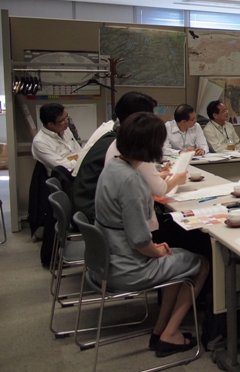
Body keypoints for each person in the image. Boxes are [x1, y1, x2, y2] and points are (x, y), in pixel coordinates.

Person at [94, 112, 208, 357]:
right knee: (200, 263)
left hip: (108, 259)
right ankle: (169, 333)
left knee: (177, 258)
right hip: (128, 267)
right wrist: (156, 251)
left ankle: (161, 330)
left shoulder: (113, 166)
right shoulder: (131, 181)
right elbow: (140, 241)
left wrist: (157, 250)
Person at [74, 92, 186, 225]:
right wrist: (177, 179)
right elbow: (159, 190)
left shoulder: (113, 137)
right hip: (100, 215)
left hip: (93, 208)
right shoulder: (132, 146)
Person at [31, 103, 81, 174]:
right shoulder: (40, 142)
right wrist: (81, 161)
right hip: (64, 176)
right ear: (50, 124)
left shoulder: (65, 129)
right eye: (62, 120)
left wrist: (81, 159)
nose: (67, 122)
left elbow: (79, 151)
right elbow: (62, 167)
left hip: (78, 169)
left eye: (67, 117)